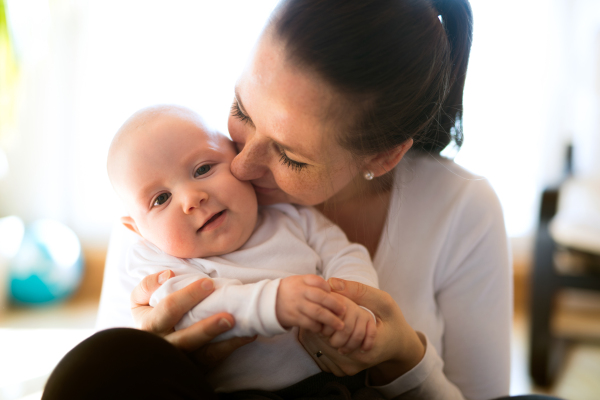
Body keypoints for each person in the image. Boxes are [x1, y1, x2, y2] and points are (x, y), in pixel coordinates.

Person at [43, 1, 512, 399]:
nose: (240, 165)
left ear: (383, 156)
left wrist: (402, 356)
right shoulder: (167, 177)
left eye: (290, 155)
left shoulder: (462, 211)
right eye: (241, 110)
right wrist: (147, 350)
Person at [106, 104, 379, 392]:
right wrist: (272, 303)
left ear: (235, 158)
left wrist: (357, 305)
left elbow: (346, 254)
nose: (192, 198)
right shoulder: (158, 260)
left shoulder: (291, 216)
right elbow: (189, 310)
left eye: (203, 169)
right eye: (161, 199)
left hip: (342, 383)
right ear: (137, 229)